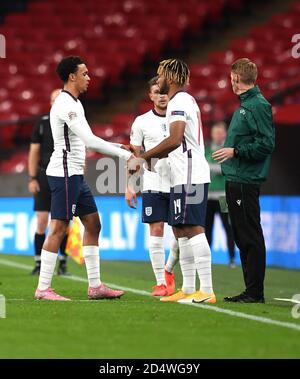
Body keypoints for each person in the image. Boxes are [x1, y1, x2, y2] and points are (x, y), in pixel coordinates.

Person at [34, 56, 133, 301]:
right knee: (58, 227)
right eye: (85, 73)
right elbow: (90, 142)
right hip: (65, 173)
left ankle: (95, 286)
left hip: (75, 174)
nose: (89, 78)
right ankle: (43, 288)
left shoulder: (74, 103)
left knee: (93, 224)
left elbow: (85, 138)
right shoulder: (66, 105)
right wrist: (122, 155)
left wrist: (118, 144)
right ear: (72, 77)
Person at [129, 59, 216, 304]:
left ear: (170, 77)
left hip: (190, 172)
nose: (159, 81)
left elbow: (176, 139)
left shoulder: (179, 101)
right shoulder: (181, 101)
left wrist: (145, 156)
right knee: (179, 229)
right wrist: (147, 158)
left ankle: (206, 289)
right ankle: (188, 289)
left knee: (192, 227)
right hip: (181, 173)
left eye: (161, 76)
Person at [212, 58, 275, 303]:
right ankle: (251, 289)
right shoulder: (247, 105)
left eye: (231, 78)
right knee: (242, 234)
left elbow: (266, 144)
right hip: (236, 178)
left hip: (245, 179)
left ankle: (255, 291)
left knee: (249, 234)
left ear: (236, 79)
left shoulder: (257, 105)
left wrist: (235, 151)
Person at [125, 76, 178, 297]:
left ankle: (168, 270)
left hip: (179, 180)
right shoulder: (141, 122)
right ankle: (161, 283)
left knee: (181, 232)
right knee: (156, 229)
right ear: (151, 95)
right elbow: (135, 156)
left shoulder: (180, 118)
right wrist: (129, 186)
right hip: (153, 182)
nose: (162, 95)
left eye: (165, 91)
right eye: (157, 91)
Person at [28, 89, 71, 276]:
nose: (56, 102)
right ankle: (39, 264)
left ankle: (63, 263)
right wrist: (32, 177)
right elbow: (34, 151)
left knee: (63, 222)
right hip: (44, 176)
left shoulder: (71, 121)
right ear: (50, 103)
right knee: (42, 221)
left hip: (65, 176)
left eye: (59, 99)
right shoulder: (43, 123)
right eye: (54, 99)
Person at [205, 121, 235, 268]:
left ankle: (231, 259)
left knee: (228, 227)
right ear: (211, 134)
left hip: (223, 196)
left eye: (220, 132)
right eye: (215, 132)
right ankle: (206, 259)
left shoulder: (228, 150)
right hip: (208, 196)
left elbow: (226, 169)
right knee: (206, 228)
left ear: (225, 134)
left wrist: (208, 166)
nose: (217, 135)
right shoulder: (206, 150)